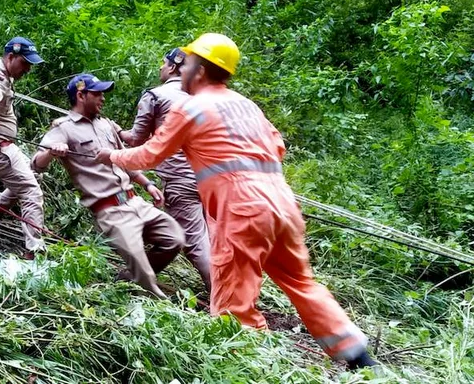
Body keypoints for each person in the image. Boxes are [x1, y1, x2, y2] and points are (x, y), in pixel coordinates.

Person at [95, 33, 378, 369]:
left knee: (233, 300)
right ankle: (360, 359)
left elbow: (150, 154)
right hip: (282, 202)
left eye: (186, 65)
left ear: (199, 71)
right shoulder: (247, 104)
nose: (181, 71)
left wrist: (110, 155)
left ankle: (247, 367)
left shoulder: (191, 107)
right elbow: (278, 145)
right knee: (301, 282)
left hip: (243, 208)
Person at [32, 74, 185, 297]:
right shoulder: (63, 128)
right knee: (145, 274)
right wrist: (51, 151)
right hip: (110, 212)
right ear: (81, 95)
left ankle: (126, 281)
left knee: (175, 238)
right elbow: (36, 163)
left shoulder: (106, 125)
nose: (103, 98)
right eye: (97, 93)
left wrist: (148, 184)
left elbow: (124, 160)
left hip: (135, 201)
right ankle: (154, 299)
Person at [120, 48, 212, 292]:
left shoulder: (155, 96)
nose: (161, 67)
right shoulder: (204, 97)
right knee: (202, 236)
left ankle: (224, 299)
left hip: (182, 180)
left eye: (163, 63)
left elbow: (135, 140)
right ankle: (138, 274)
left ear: (172, 67)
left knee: (194, 242)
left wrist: (117, 131)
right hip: (211, 177)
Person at [0, 37, 47, 258]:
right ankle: (33, 251)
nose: (28, 69)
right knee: (31, 191)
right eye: (25, 63)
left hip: (1, 147)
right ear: (11, 57)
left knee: (32, 176)